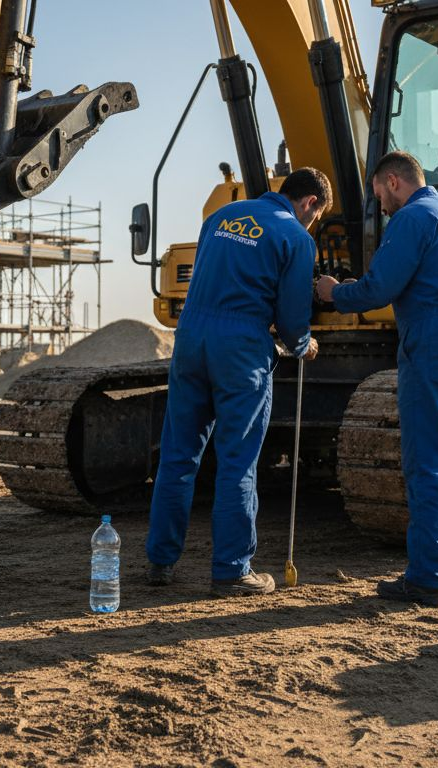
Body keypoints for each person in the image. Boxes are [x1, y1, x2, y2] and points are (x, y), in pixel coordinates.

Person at [316, 151, 438, 607]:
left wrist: (336, 292)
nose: (381, 206)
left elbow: (379, 289)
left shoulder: (413, 219)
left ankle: (429, 580)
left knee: (430, 463)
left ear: (393, 182)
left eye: (379, 195)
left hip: (436, 336)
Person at [146, 168, 330, 597]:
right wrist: (303, 345)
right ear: (310, 204)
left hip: (191, 338)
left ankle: (160, 561)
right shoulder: (297, 239)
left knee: (177, 456)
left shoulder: (222, 217)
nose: (312, 224)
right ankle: (231, 569)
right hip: (241, 346)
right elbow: (289, 320)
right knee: (237, 460)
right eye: (315, 216)